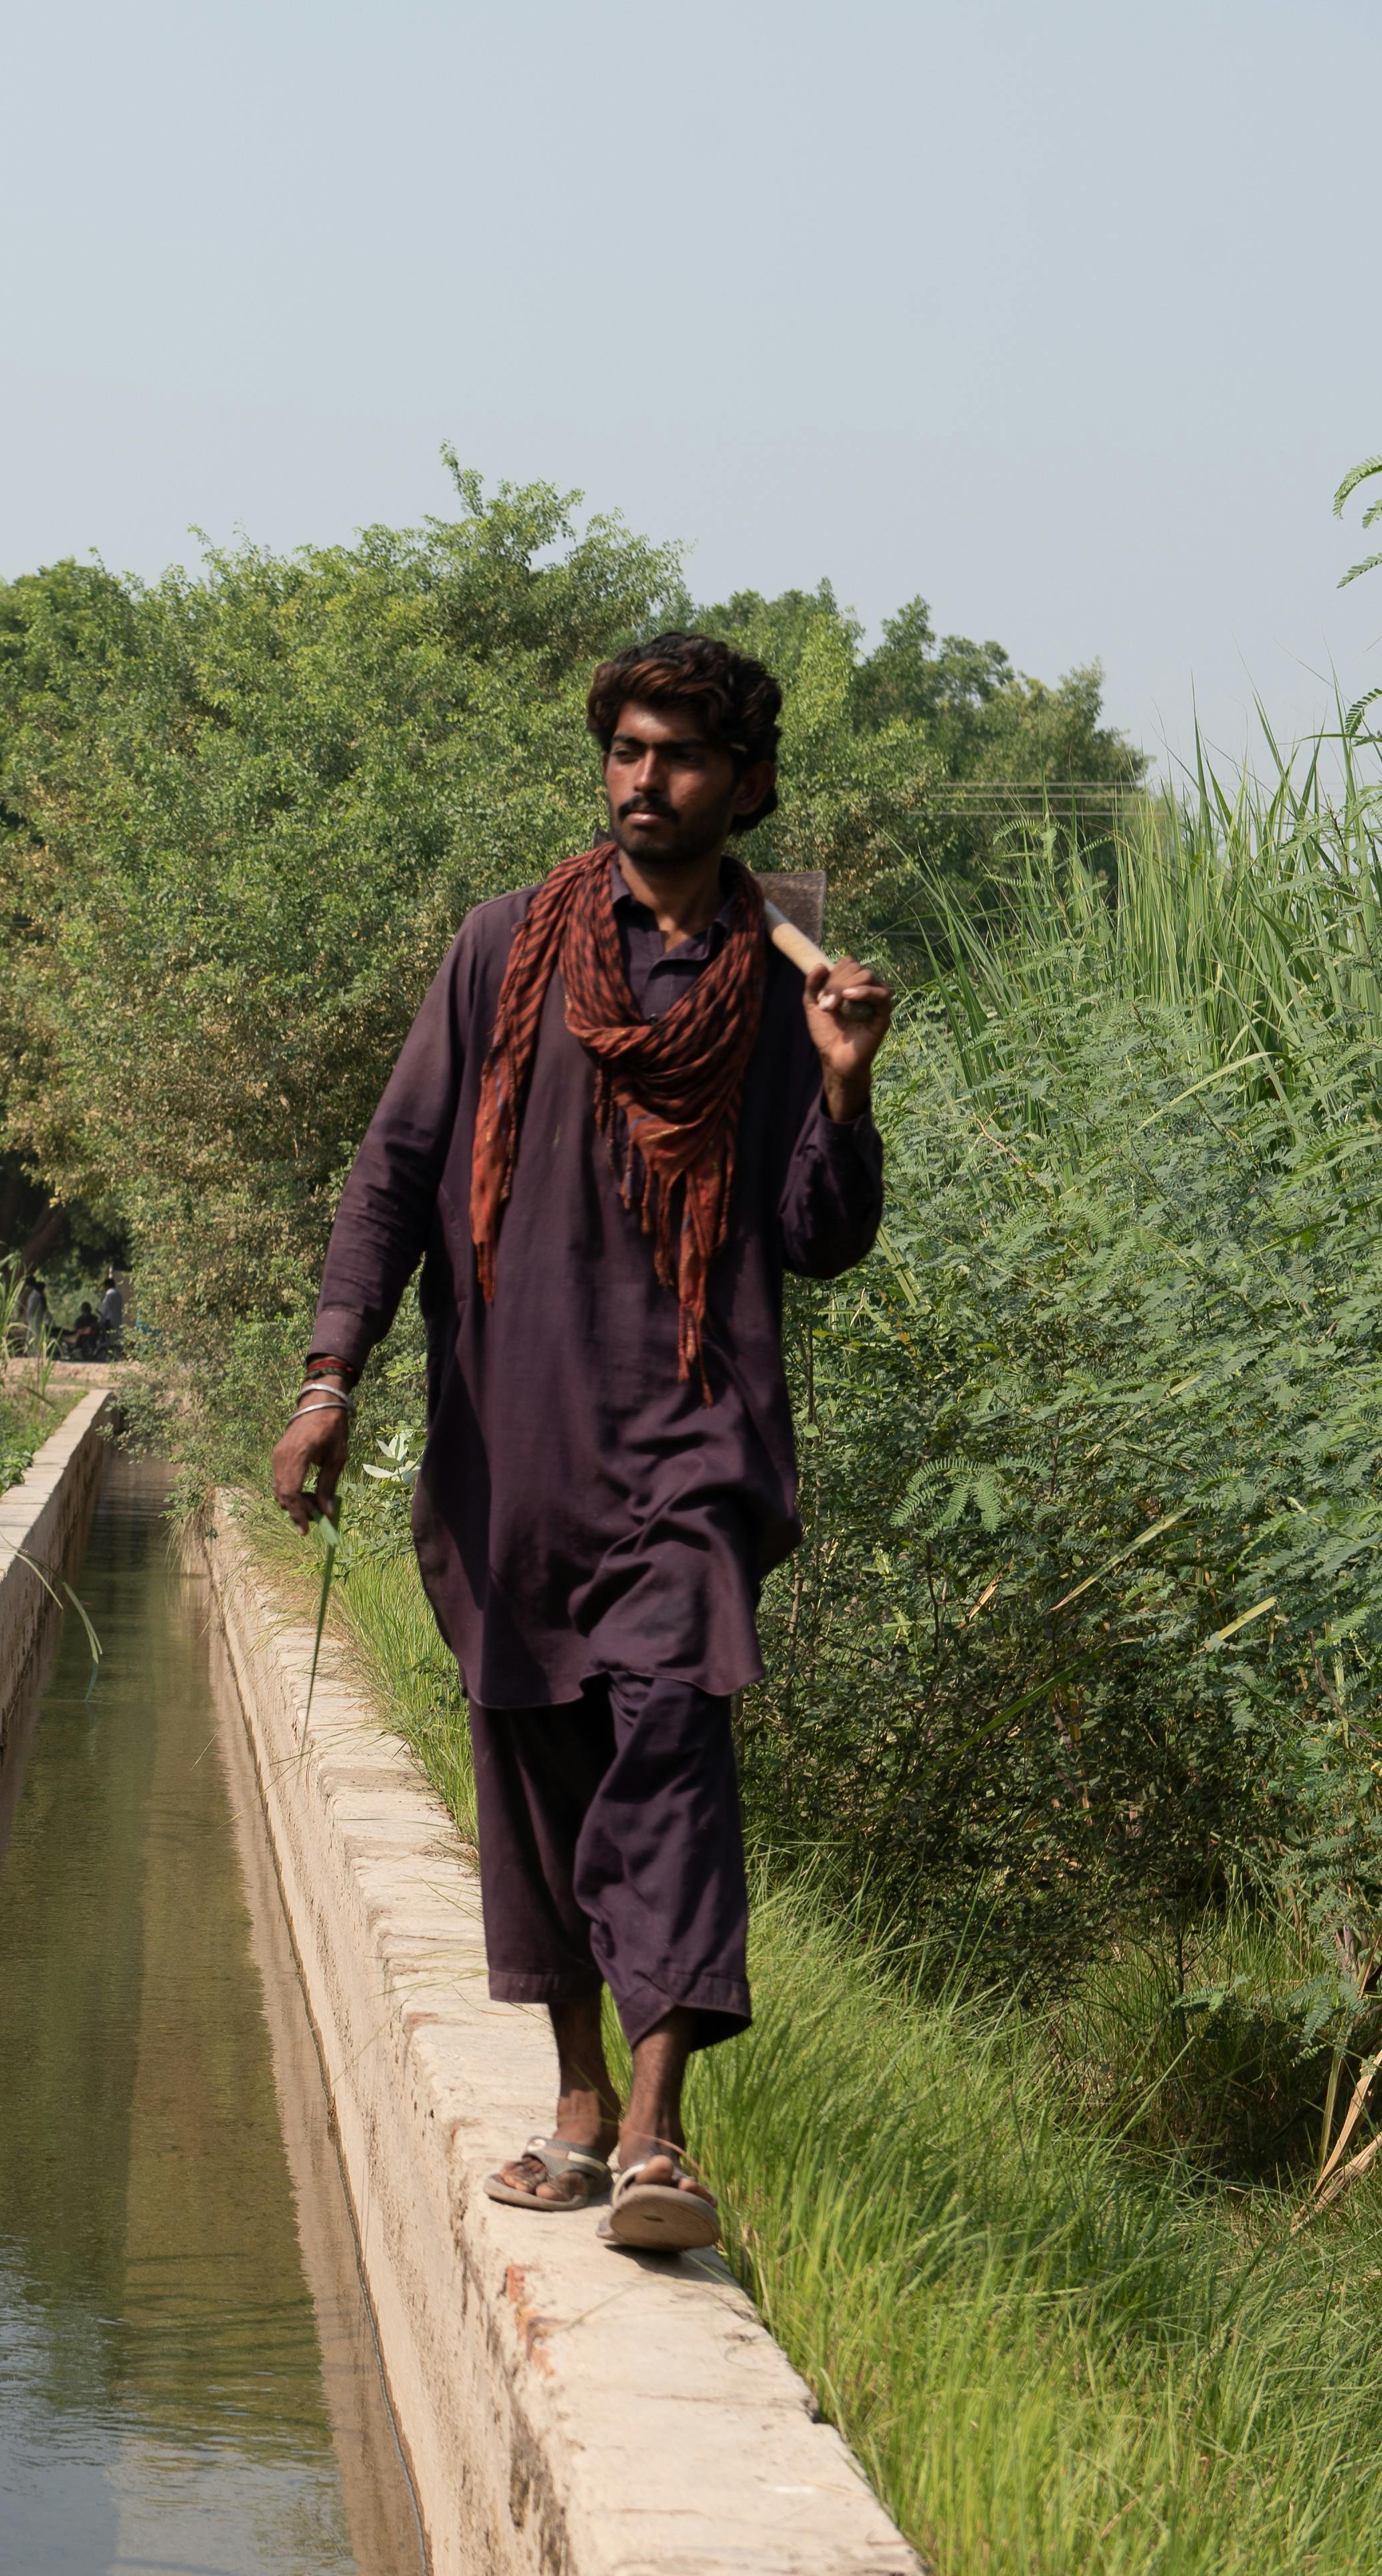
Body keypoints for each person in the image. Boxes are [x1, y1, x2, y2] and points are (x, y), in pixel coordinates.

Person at [269, 631, 894, 2255]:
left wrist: (840, 1091)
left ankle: (660, 2130)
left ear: (745, 783)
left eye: (677, 755)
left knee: (671, 1745)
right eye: (623, 749)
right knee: (536, 1761)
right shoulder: (511, 947)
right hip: (512, 1442)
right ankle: (571, 2101)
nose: (642, 779)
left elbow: (817, 1242)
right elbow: (395, 1170)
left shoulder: (783, 983)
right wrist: (331, 1376)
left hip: (689, 1437)